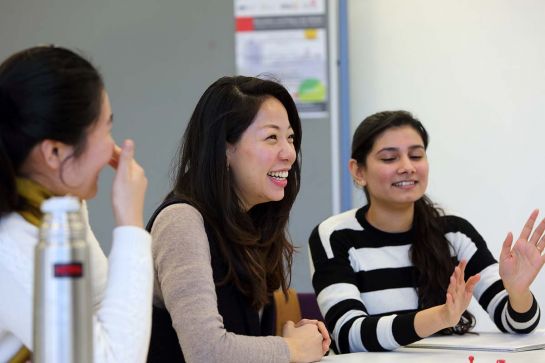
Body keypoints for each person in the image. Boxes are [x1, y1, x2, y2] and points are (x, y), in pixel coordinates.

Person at [309, 110, 544, 353]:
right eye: (389, 158)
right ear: (358, 171)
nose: (407, 167)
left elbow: (518, 324)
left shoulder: (455, 233)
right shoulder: (335, 235)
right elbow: (348, 334)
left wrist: (518, 292)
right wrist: (440, 317)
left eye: (416, 155)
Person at [147, 75, 330, 363]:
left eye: (290, 138)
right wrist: (291, 349)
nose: (289, 153)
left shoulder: (251, 223)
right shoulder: (181, 221)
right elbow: (207, 352)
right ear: (224, 149)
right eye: (272, 137)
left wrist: (288, 340)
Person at [0, 46, 153, 363]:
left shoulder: (56, 206)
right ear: (54, 152)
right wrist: (130, 225)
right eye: (106, 128)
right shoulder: (10, 241)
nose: (113, 147)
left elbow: (98, 311)